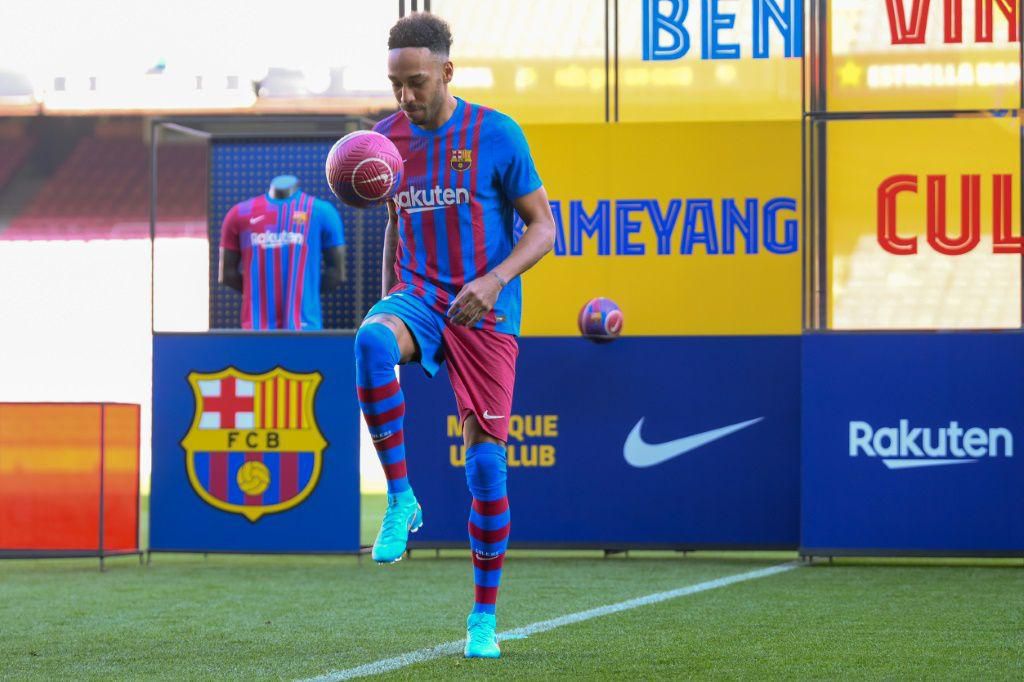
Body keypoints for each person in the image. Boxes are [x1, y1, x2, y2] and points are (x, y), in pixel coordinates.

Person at [354, 12, 556, 660]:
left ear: (446, 72)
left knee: (487, 468)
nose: (405, 98)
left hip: (485, 310)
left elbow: (544, 228)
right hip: (419, 297)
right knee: (370, 343)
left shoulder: (497, 134)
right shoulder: (383, 143)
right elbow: (393, 220)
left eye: (416, 83)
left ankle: (482, 620)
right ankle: (401, 498)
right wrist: (390, 294)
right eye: (395, 86)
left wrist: (494, 282)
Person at [219, 175, 346, 330]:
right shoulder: (239, 214)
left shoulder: (322, 212)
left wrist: (307, 292)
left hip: (304, 328)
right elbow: (227, 275)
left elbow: (336, 273)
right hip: (256, 329)